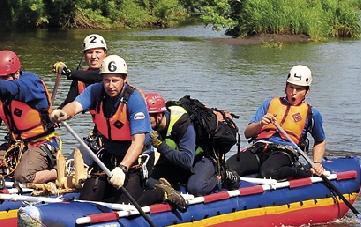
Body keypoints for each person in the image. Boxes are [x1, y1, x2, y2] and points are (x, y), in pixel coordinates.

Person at [51, 55, 152, 204]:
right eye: (107, 80)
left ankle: (160, 193)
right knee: (87, 199)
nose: (110, 86)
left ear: (124, 79)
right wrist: (64, 113)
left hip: (134, 158)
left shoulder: (134, 99)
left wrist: (122, 168)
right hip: (109, 153)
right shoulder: (95, 91)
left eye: (115, 80)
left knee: (124, 204)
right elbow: (76, 105)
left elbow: (138, 142)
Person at [0, 51, 59, 186]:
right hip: (16, 145)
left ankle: (57, 171)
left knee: (23, 177)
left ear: (17, 73)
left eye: (4, 77)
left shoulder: (32, 84)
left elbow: (14, 88)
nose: (0, 82)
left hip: (43, 143)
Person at [138, 93, 239, 211]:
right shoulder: (151, 126)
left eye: (148, 116)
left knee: (196, 188)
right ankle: (167, 189)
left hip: (201, 157)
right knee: (145, 178)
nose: (144, 121)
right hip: (175, 158)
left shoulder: (183, 124)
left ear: (159, 115)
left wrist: (161, 146)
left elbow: (187, 161)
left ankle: (222, 175)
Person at [225, 65, 326, 180]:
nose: (293, 92)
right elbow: (247, 133)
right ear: (286, 86)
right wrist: (260, 124)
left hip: (284, 152)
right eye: (290, 87)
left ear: (307, 91)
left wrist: (317, 163)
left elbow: (320, 140)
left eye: (298, 89)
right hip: (259, 148)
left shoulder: (312, 113)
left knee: (268, 172)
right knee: (227, 168)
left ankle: (302, 172)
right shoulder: (269, 103)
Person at [53, 33, 107, 107]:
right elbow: (68, 104)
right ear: (84, 56)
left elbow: (98, 76)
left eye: (98, 52)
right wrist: (51, 116)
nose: (94, 56)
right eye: (90, 52)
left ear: (105, 54)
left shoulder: (112, 73)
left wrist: (68, 72)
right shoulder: (79, 78)